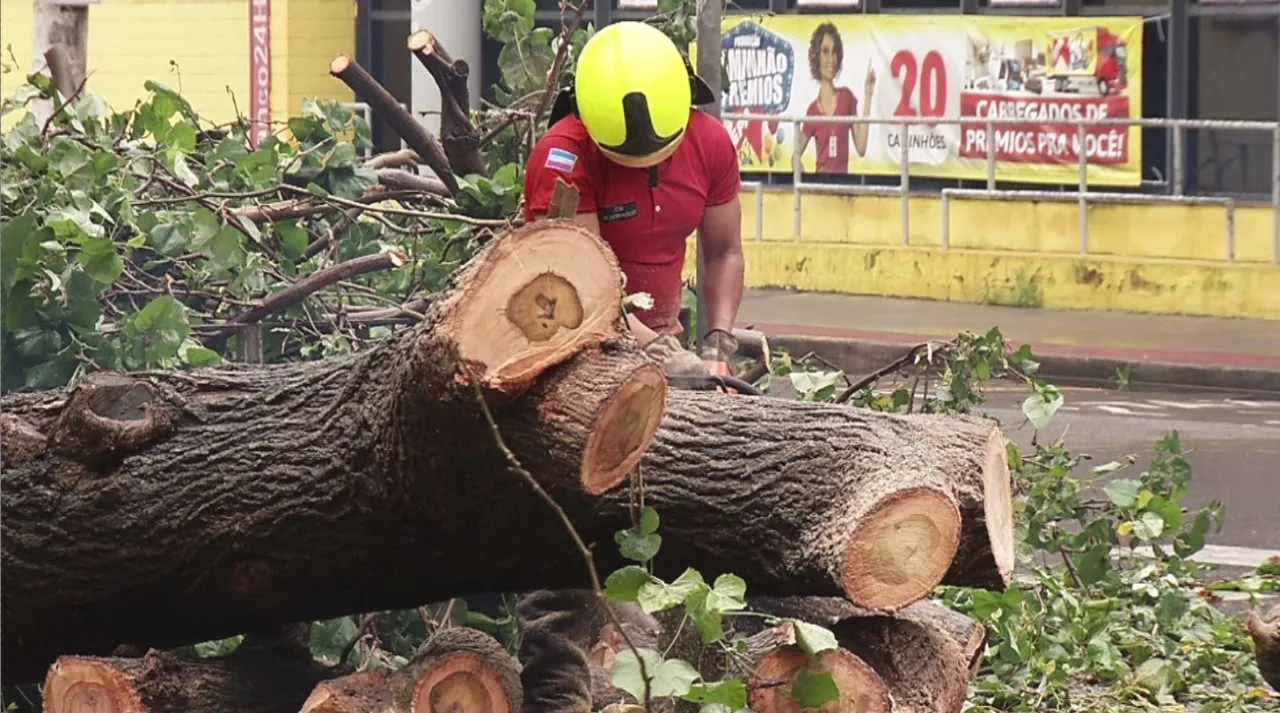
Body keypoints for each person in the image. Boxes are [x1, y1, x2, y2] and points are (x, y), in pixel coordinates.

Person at [522, 20, 745, 378]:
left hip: (663, 339)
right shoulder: (563, 157)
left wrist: (718, 343)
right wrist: (659, 352)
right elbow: (582, 286)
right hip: (576, 348)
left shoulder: (710, 142)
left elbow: (724, 252)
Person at [796, 21, 876, 175]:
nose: (831, 59)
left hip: (842, 187)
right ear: (816, 56)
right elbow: (796, 155)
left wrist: (868, 96)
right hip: (819, 189)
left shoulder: (846, 98)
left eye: (834, 52)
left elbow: (861, 147)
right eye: (825, 51)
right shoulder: (812, 111)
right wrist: (804, 179)